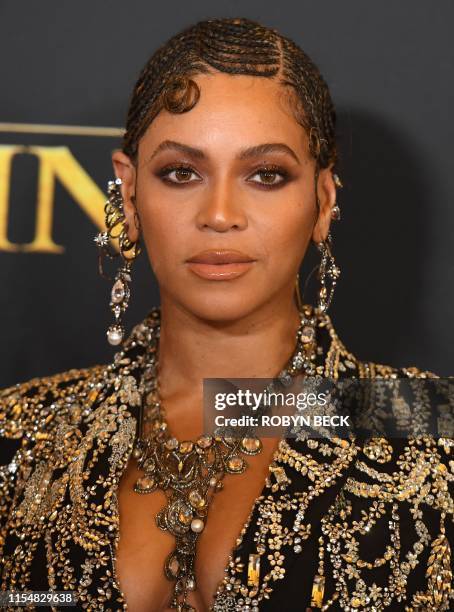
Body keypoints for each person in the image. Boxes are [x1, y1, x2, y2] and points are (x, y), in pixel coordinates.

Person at [0, 16, 452, 612]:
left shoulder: (432, 426)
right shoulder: (21, 433)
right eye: (181, 173)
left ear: (323, 201)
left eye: (266, 175)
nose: (219, 214)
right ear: (130, 194)